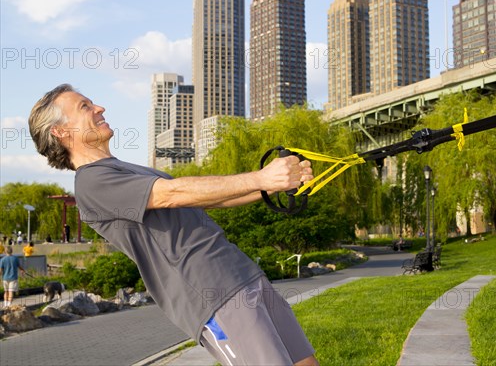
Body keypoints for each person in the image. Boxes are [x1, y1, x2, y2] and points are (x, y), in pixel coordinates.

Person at [29, 84, 319, 365]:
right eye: (85, 106)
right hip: (212, 293)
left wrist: (274, 185)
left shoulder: (126, 169)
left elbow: (208, 199)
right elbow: (171, 194)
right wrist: (262, 178)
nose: (99, 108)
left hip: (240, 273)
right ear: (61, 131)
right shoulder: (91, 183)